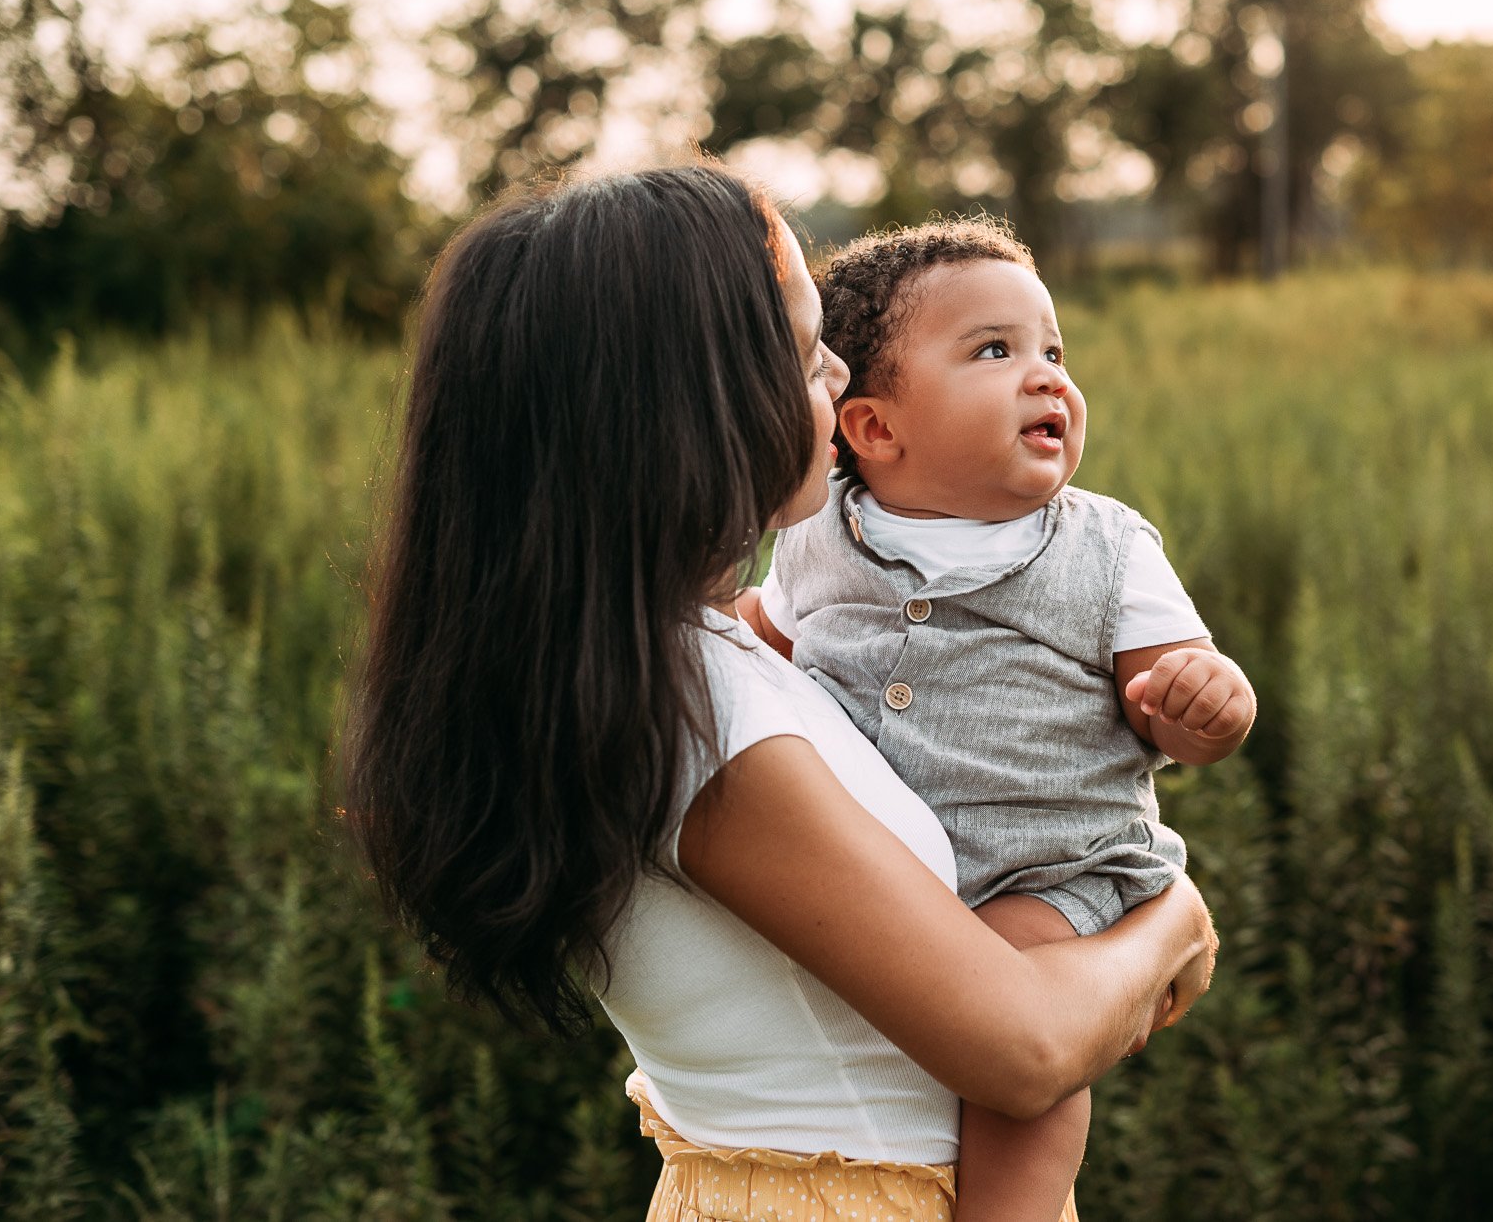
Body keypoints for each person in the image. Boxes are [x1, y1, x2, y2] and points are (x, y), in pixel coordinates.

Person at [340, 166, 1216, 1222]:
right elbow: (1025, 1050)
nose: (839, 372)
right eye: (805, 349)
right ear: (688, 402)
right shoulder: (700, 718)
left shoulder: (671, 658)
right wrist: (1169, 918)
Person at [738, 217, 1255, 1221]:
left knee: (1021, 1040)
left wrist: (1202, 704)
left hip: (1050, 868)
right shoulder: (818, 539)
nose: (1044, 376)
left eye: (1052, 351)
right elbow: (760, 638)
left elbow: (1176, 698)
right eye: (994, 350)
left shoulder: (1104, 548)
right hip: (892, 872)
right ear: (876, 429)